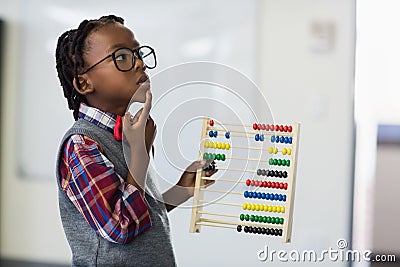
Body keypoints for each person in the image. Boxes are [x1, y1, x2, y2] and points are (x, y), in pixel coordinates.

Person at [55, 15, 216, 266]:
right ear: (85, 83)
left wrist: (182, 190)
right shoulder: (81, 144)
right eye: (121, 57)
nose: (140, 63)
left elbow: (139, 210)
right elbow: (121, 227)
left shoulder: (126, 133)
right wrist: (139, 153)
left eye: (138, 53)